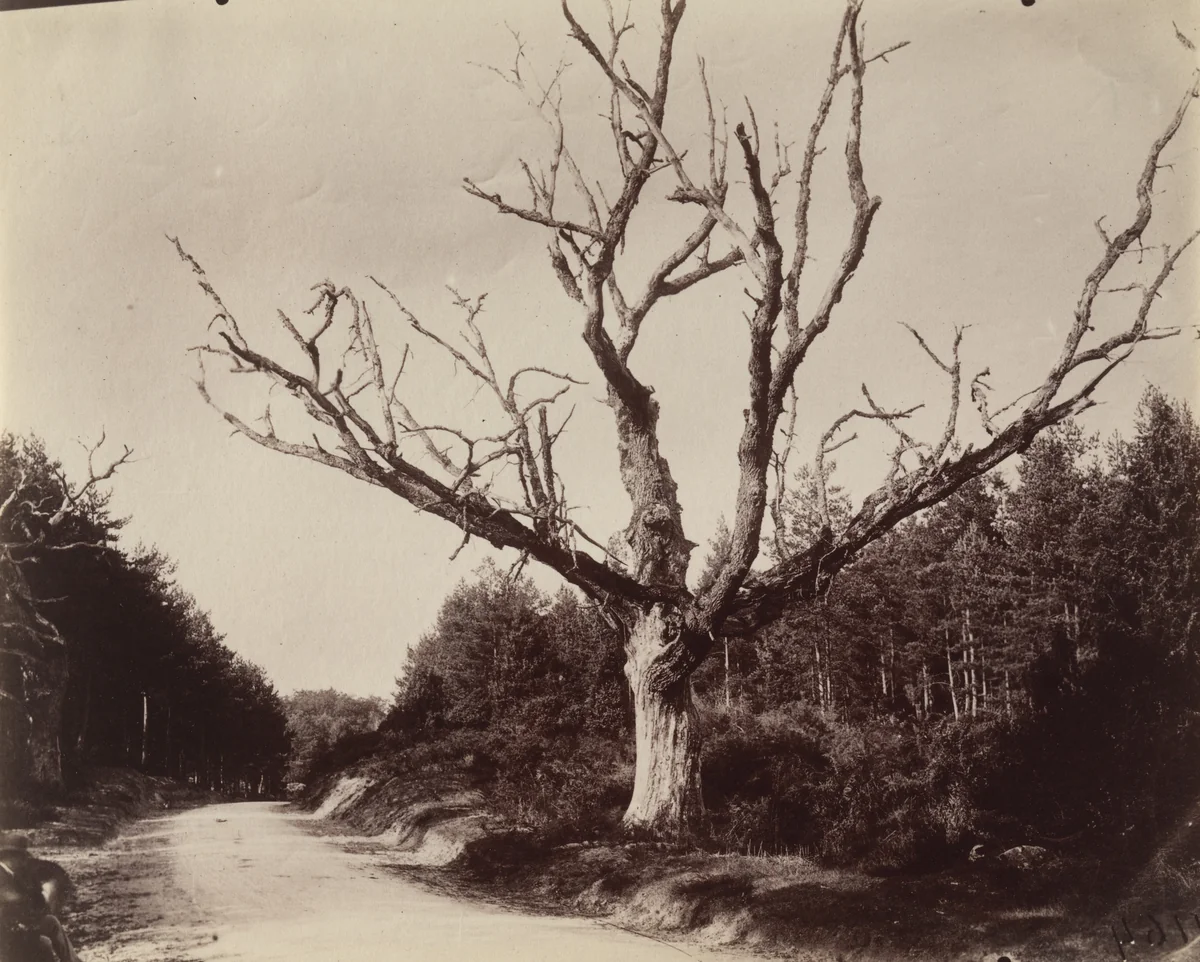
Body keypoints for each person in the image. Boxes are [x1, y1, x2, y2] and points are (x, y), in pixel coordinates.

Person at [0, 833, 81, 962]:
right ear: (11, 857)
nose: (24, 861)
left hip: (18, 925)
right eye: (22, 857)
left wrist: (43, 894)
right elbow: (16, 900)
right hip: (7, 935)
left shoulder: (14, 874)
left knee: (51, 921)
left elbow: (30, 901)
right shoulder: (2, 876)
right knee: (44, 944)